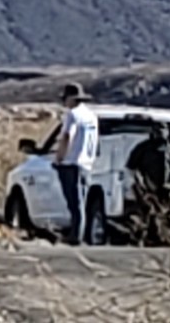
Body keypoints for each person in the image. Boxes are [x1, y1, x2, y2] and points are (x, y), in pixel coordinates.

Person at [124, 121, 170, 246]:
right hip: (149, 189)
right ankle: (144, 241)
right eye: (157, 130)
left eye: (163, 130)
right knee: (148, 216)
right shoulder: (143, 149)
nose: (160, 133)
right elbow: (131, 168)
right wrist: (140, 184)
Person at [54, 84, 100, 244]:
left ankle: (75, 236)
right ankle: (80, 233)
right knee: (82, 201)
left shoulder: (73, 115)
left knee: (74, 202)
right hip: (87, 163)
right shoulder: (91, 116)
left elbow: (67, 136)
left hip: (72, 162)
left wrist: (59, 157)